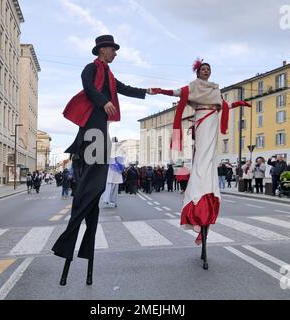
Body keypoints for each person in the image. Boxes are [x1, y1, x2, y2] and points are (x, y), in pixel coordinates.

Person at [52, 35, 155, 286]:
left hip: (99, 134)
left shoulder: (108, 75)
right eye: (113, 50)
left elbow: (124, 88)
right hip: (91, 133)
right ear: (102, 50)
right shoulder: (91, 69)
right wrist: (104, 101)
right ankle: (69, 240)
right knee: (94, 187)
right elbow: (89, 87)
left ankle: (78, 244)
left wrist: (147, 91)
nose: (116, 54)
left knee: (92, 195)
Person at [153, 59, 250, 270]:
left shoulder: (216, 89)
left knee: (210, 155)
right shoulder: (193, 86)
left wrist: (239, 104)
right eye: (202, 69)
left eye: (208, 69)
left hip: (213, 119)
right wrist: (158, 90)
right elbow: (175, 93)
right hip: (202, 118)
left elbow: (224, 106)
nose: (206, 72)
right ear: (198, 72)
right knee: (203, 155)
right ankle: (198, 188)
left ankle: (206, 184)